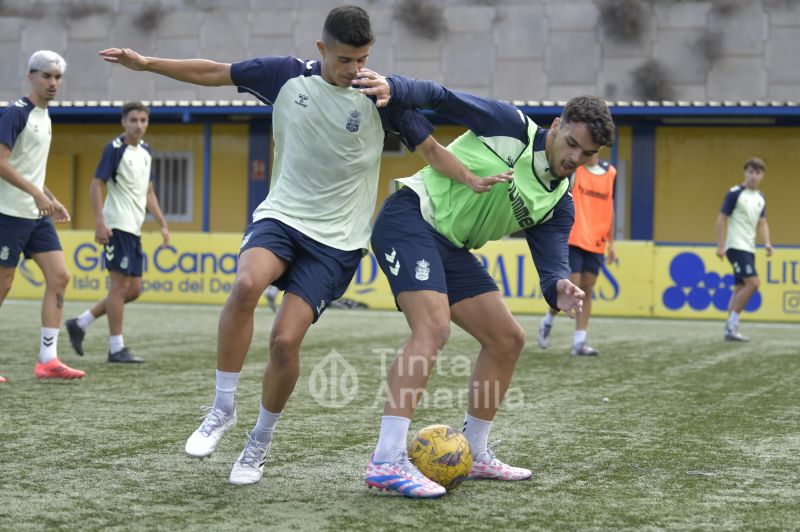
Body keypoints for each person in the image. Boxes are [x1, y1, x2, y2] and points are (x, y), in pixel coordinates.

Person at [99, 5, 508, 492]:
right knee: (247, 283)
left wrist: (470, 178)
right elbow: (213, 71)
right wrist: (146, 64)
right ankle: (221, 408)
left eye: (363, 59)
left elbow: (433, 151)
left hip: (337, 243)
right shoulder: (285, 77)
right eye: (344, 60)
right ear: (321, 50)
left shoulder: (383, 98)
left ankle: (258, 441)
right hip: (283, 217)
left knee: (284, 342)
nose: (355, 69)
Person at [357, 74, 615, 496]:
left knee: (507, 339)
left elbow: (552, 267)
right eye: (572, 144)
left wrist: (560, 288)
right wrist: (392, 87)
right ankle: (386, 460)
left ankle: (475, 454)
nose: (576, 158)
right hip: (410, 218)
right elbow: (442, 98)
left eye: (586, 154)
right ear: (556, 125)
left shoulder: (558, 200)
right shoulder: (509, 126)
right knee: (434, 328)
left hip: (451, 246)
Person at [0, 50, 86, 381]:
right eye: (47, 76)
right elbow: (2, 161)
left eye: (58, 77)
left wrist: (51, 197)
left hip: (36, 215)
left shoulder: (45, 116)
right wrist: (36, 194)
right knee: (4, 284)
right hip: (9, 212)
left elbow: (29, 168)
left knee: (60, 276)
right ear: (30, 77)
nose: (53, 83)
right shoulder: (16, 113)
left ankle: (47, 359)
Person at [65, 102, 169, 363]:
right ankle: (116, 348)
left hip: (134, 228)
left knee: (133, 290)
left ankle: (80, 322)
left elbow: (149, 192)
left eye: (143, 120)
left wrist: (162, 223)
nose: (139, 125)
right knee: (119, 287)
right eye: (133, 120)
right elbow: (95, 185)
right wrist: (100, 223)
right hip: (116, 225)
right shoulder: (114, 149)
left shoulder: (146, 151)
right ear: (123, 121)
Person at [537, 153, 616, 356]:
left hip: (597, 241)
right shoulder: (575, 170)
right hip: (574, 237)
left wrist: (611, 243)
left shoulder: (611, 173)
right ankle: (548, 319)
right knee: (573, 287)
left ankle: (579, 342)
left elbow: (610, 207)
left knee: (587, 288)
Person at [716, 157, 772, 342]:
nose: (753, 176)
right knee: (754, 283)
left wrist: (767, 243)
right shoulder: (735, 193)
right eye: (750, 172)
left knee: (740, 287)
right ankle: (732, 325)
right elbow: (722, 218)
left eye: (757, 173)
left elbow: (762, 223)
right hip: (736, 246)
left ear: (762, 175)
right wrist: (721, 245)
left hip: (749, 248)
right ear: (744, 172)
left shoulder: (760, 198)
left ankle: (730, 328)